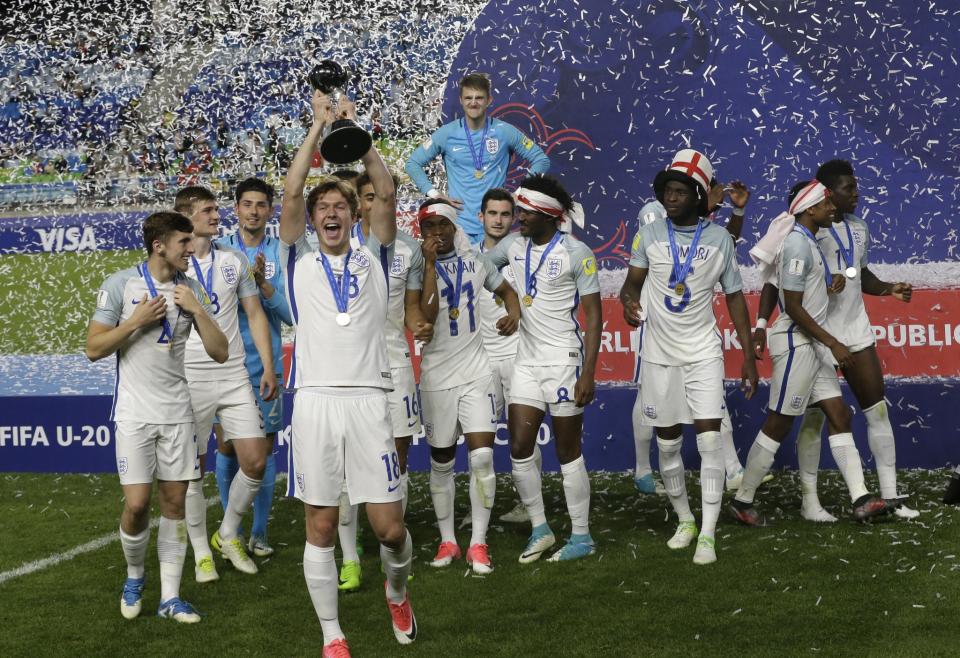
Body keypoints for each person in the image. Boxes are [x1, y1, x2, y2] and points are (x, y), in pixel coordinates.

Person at [280, 90, 415, 656]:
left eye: (340, 207)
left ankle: (398, 590)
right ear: (313, 221)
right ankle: (332, 636)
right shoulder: (297, 260)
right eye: (322, 210)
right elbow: (289, 191)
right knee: (320, 524)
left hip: (369, 401)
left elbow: (385, 190)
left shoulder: (376, 256)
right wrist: (317, 127)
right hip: (314, 403)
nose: (331, 214)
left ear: (353, 216)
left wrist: (357, 135)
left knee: (389, 529)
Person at [754, 160, 917, 520]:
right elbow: (773, 280)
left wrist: (890, 289)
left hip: (855, 332)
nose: (855, 194)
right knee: (815, 420)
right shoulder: (805, 229)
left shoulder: (859, 228)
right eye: (847, 188)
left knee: (877, 410)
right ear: (826, 194)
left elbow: (859, 272)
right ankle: (811, 501)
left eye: (854, 187)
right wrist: (762, 324)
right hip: (816, 337)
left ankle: (890, 496)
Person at [86, 211, 228, 623]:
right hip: (133, 412)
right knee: (136, 504)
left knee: (174, 505)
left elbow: (221, 352)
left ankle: (170, 597)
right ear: (159, 246)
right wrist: (135, 322)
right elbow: (94, 349)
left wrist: (198, 310)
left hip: (178, 413)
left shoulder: (191, 288)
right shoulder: (120, 285)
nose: (192, 248)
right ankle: (134, 576)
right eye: (184, 242)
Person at [619, 149, 758, 565]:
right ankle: (685, 520)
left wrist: (748, 357)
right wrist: (628, 304)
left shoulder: (718, 241)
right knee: (667, 446)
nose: (671, 198)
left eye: (680, 191)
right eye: (667, 191)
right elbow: (631, 285)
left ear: (699, 196)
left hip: (702, 353)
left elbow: (735, 300)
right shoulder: (649, 235)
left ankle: (709, 533)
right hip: (660, 355)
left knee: (711, 441)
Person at [732, 180, 890, 525]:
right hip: (796, 343)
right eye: (826, 205)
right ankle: (743, 499)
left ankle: (862, 499)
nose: (833, 209)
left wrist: (828, 285)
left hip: (811, 344)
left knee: (839, 414)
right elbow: (794, 308)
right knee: (779, 422)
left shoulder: (808, 242)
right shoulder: (798, 244)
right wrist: (833, 341)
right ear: (810, 210)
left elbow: (805, 295)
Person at [481, 173, 602, 563]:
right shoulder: (514, 246)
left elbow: (595, 317)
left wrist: (588, 373)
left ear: (549, 216)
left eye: (527, 214)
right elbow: (481, 266)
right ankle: (541, 528)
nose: (519, 220)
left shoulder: (577, 253)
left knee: (568, 452)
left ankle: (581, 536)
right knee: (519, 448)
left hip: (565, 361)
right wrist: (510, 299)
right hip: (527, 362)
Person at [630, 179, 764, 495]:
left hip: (694, 326)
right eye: (711, 190)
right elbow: (662, 260)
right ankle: (642, 469)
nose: (718, 195)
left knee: (709, 401)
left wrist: (738, 211)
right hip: (655, 321)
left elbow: (724, 248)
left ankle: (731, 469)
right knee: (648, 399)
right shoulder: (654, 214)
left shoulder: (706, 227)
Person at [174, 186, 279, 581]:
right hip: (191, 380)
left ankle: (228, 533)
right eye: (208, 210)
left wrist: (267, 367)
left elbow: (254, 314)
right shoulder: (173, 269)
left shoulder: (233, 260)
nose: (217, 216)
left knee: (254, 460)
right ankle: (201, 551)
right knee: (190, 471)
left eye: (217, 209)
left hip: (235, 376)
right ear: (187, 217)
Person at [336, 171, 432, 592]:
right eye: (369, 197)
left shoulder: (409, 250)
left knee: (396, 459)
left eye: (383, 197)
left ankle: (393, 548)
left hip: (394, 363)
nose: (377, 204)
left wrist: (421, 324)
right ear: (358, 203)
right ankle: (351, 558)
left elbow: (410, 311)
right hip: (349, 369)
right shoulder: (337, 247)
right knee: (342, 467)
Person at [417, 198, 521, 574]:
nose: (438, 233)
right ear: (422, 232)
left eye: (444, 225)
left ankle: (478, 542)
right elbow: (426, 313)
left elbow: (507, 290)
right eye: (431, 228)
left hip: (477, 371)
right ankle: (448, 540)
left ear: (454, 227)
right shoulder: (417, 267)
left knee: (481, 458)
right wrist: (429, 264)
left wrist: (515, 313)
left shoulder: (476, 263)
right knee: (441, 461)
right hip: (437, 377)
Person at [214, 177, 293, 557]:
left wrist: (264, 286)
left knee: (263, 449)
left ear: (271, 209)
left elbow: (292, 314)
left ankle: (258, 534)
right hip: (223, 365)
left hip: (265, 365)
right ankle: (231, 529)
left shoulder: (281, 253)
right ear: (237, 208)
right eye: (247, 204)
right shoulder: (218, 252)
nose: (254, 211)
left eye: (261, 205)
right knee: (228, 447)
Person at [405, 72, 551, 244]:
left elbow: (541, 160)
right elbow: (412, 164)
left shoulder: (504, 132)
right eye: (468, 97)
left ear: (489, 100)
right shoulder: (447, 133)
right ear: (460, 100)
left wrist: (519, 194)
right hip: (459, 226)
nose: (473, 103)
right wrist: (435, 195)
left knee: (493, 271)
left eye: (479, 98)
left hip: (494, 228)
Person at [476, 188, 529, 524]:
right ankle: (481, 509)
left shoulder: (525, 256)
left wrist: (519, 315)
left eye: (505, 214)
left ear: (514, 218)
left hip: (519, 355)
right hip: (481, 360)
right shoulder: (468, 258)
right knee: (479, 442)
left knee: (523, 435)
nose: (498, 220)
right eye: (492, 214)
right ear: (481, 217)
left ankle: (528, 504)